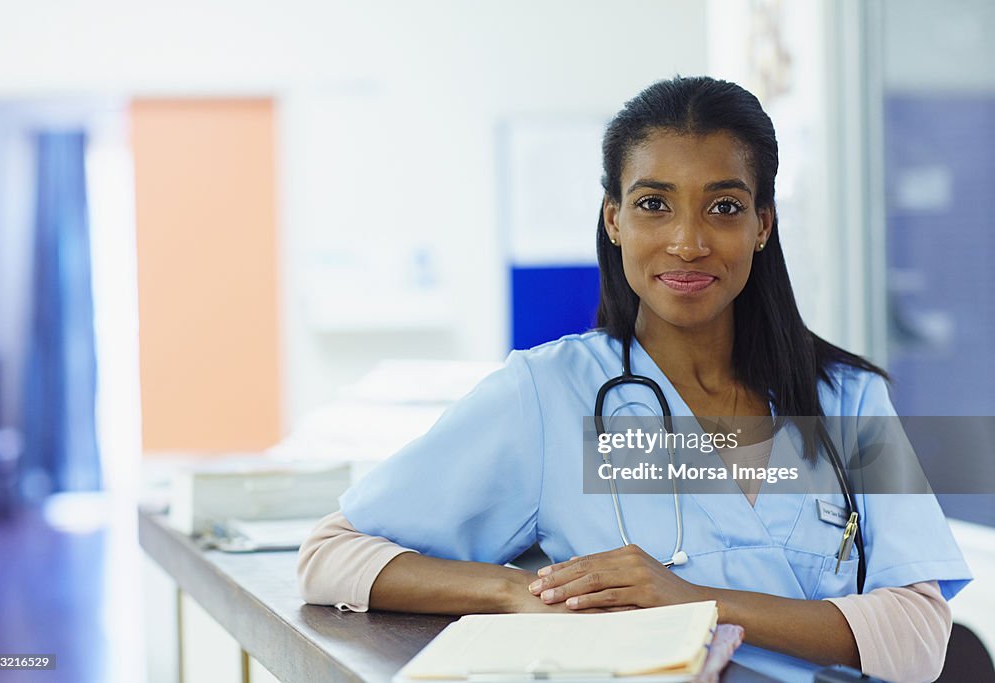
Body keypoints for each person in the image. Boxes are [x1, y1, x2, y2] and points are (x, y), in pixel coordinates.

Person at [297, 76, 971, 682]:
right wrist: (513, 591)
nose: (687, 241)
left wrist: (689, 601)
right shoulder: (549, 394)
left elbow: (917, 639)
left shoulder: (848, 399)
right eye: (654, 203)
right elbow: (332, 555)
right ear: (613, 219)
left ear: (763, 225)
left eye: (724, 208)